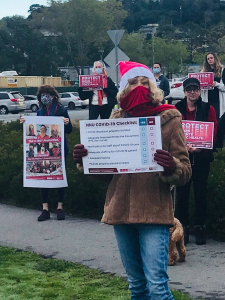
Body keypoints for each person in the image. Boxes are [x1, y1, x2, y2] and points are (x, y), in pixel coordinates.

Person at [73, 61, 191, 299]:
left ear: (154, 88)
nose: (138, 87)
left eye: (144, 82)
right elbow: (106, 171)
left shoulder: (169, 118)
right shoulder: (116, 117)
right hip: (121, 212)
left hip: (153, 212)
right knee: (136, 286)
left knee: (157, 287)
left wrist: (172, 166)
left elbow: (186, 171)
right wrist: (86, 159)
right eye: (133, 82)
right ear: (123, 89)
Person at [175, 78, 217, 245]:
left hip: (201, 158)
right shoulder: (176, 109)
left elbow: (212, 132)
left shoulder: (208, 108)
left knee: (200, 195)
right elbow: (172, 131)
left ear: (200, 91)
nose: (193, 92)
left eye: (195, 89)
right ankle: (182, 228)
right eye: (189, 89)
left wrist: (201, 148)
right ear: (185, 91)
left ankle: (200, 227)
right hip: (182, 158)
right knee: (182, 195)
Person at [21, 85, 72, 221]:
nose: (45, 97)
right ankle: (45, 209)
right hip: (43, 150)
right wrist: (25, 123)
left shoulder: (61, 110)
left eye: (47, 94)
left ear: (53, 95)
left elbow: (69, 130)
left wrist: (67, 123)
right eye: (42, 95)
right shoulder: (39, 111)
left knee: (59, 176)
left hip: (58, 150)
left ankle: (60, 207)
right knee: (43, 176)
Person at [201, 52, 225, 119]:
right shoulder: (204, 72)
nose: (210, 60)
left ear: (215, 59)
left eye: (211, 58)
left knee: (217, 118)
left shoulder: (222, 70)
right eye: (208, 59)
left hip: (218, 100)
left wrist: (217, 84)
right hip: (207, 100)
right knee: (208, 118)